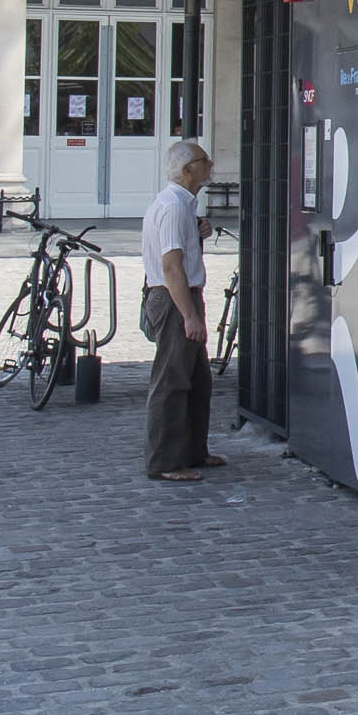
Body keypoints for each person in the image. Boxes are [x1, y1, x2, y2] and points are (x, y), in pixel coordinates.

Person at [141, 139, 222, 482]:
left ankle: (192, 451)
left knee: (196, 379)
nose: (210, 165)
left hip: (180, 295)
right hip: (176, 297)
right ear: (188, 169)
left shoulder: (183, 205)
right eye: (204, 160)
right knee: (172, 380)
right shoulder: (174, 206)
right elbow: (172, 267)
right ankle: (165, 461)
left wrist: (200, 229)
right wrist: (189, 314)